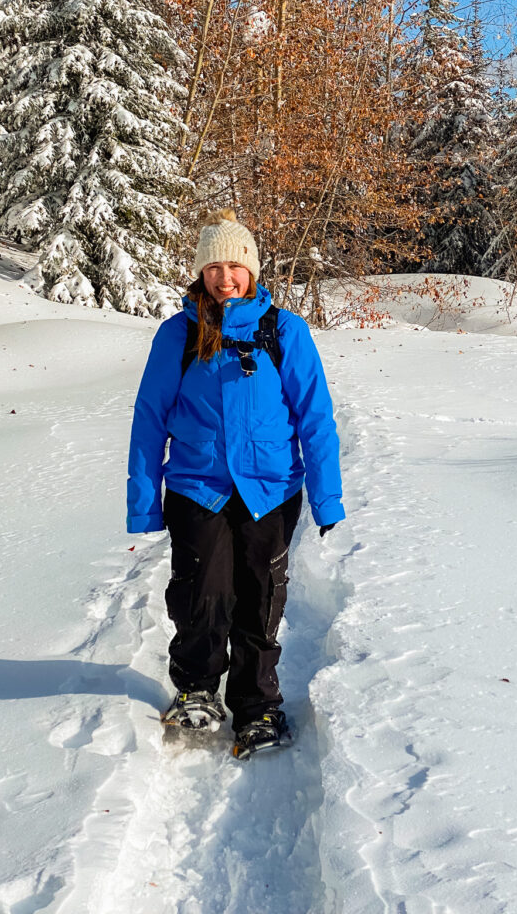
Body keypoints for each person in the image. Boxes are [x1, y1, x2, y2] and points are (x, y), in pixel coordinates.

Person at [127, 209, 345, 757]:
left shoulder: (285, 331)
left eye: (236, 266)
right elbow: (150, 418)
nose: (225, 278)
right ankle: (198, 691)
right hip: (197, 488)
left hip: (270, 492)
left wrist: (326, 498)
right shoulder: (179, 334)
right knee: (202, 595)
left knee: (260, 600)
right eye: (214, 266)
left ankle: (258, 705)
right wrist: (142, 502)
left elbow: (316, 418)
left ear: (252, 270)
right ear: (200, 272)